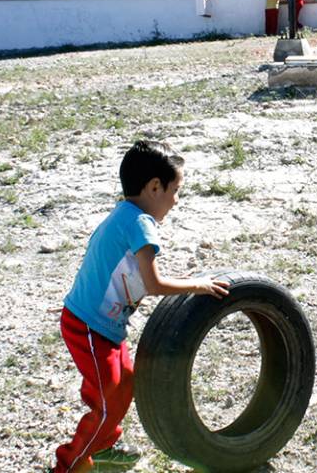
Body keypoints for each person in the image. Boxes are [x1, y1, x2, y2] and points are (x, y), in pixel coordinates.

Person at [53, 140, 229, 473]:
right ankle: (71, 464)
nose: (176, 200)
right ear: (153, 187)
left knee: (123, 384)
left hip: (104, 326)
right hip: (87, 326)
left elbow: (139, 278)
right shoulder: (140, 225)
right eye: (175, 190)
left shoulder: (125, 214)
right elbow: (154, 285)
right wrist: (199, 286)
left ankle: (103, 448)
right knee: (108, 399)